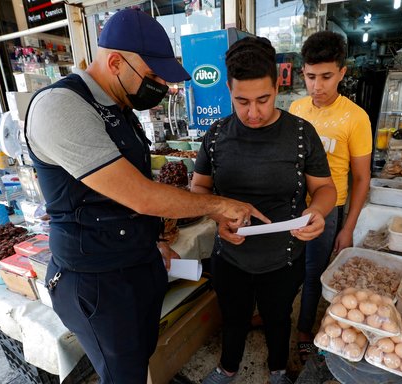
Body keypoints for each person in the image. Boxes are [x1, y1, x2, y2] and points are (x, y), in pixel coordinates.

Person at [24, 9, 266, 384]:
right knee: (123, 374)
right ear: (116, 61)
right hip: (97, 281)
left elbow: (129, 187)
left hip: (137, 265)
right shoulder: (61, 107)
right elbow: (139, 195)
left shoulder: (120, 108)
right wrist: (218, 206)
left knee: (139, 356)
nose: (160, 86)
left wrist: (152, 240)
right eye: (152, 76)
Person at [191, 37, 336, 384]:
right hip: (230, 254)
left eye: (263, 100)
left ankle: (278, 370)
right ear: (228, 89)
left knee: (278, 317)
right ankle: (228, 368)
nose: (253, 113)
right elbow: (198, 189)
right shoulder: (216, 136)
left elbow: (325, 189)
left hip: (283, 256)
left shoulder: (301, 134)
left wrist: (317, 212)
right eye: (241, 101)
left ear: (277, 87)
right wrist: (217, 215)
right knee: (234, 316)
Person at [289, 30, 372, 361]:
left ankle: (305, 330)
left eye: (326, 76)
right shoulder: (295, 108)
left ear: (342, 72)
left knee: (313, 274)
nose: (317, 86)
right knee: (286, 268)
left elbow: (362, 178)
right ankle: (279, 317)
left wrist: (348, 227)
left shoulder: (355, 118)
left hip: (329, 209)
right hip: (292, 206)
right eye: (310, 77)